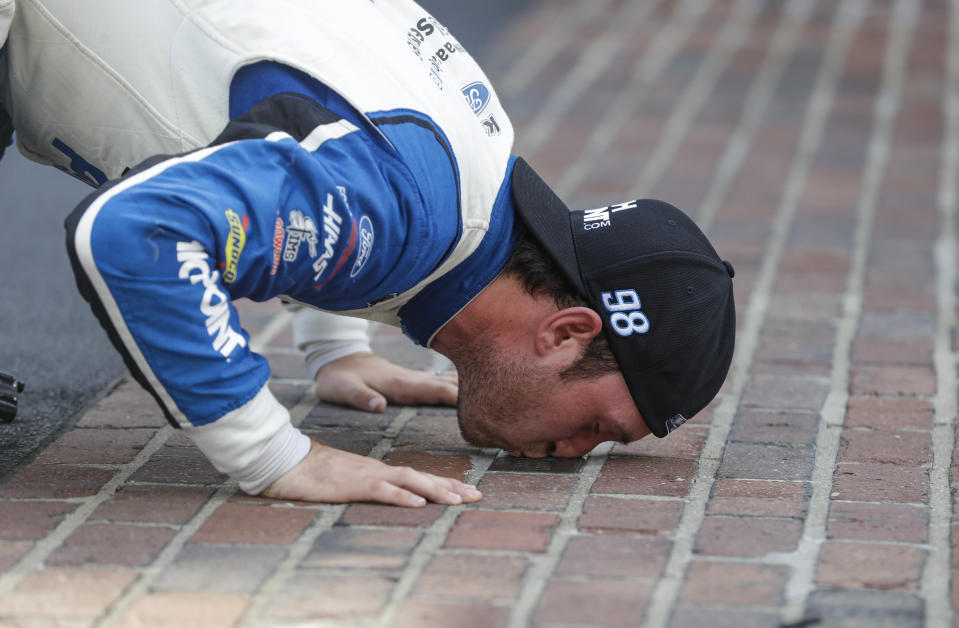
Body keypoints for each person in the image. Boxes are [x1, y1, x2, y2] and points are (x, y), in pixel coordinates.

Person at [1, 0, 736, 507]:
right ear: (566, 331)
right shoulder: (400, 208)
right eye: (599, 426)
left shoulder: (470, 183)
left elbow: (299, 153)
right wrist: (274, 456)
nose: (575, 451)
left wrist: (333, 347)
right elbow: (138, 233)